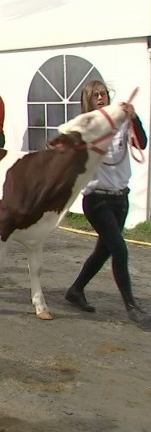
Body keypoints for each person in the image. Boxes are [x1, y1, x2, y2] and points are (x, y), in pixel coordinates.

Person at [64, 80, 149, 331]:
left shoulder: (123, 122)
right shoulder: (87, 126)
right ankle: (132, 307)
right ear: (88, 100)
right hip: (97, 198)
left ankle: (76, 290)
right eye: (96, 95)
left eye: (104, 94)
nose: (101, 98)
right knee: (119, 250)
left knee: (104, 251)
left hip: (120, 197)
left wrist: (134, 119)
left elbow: (141, 144)